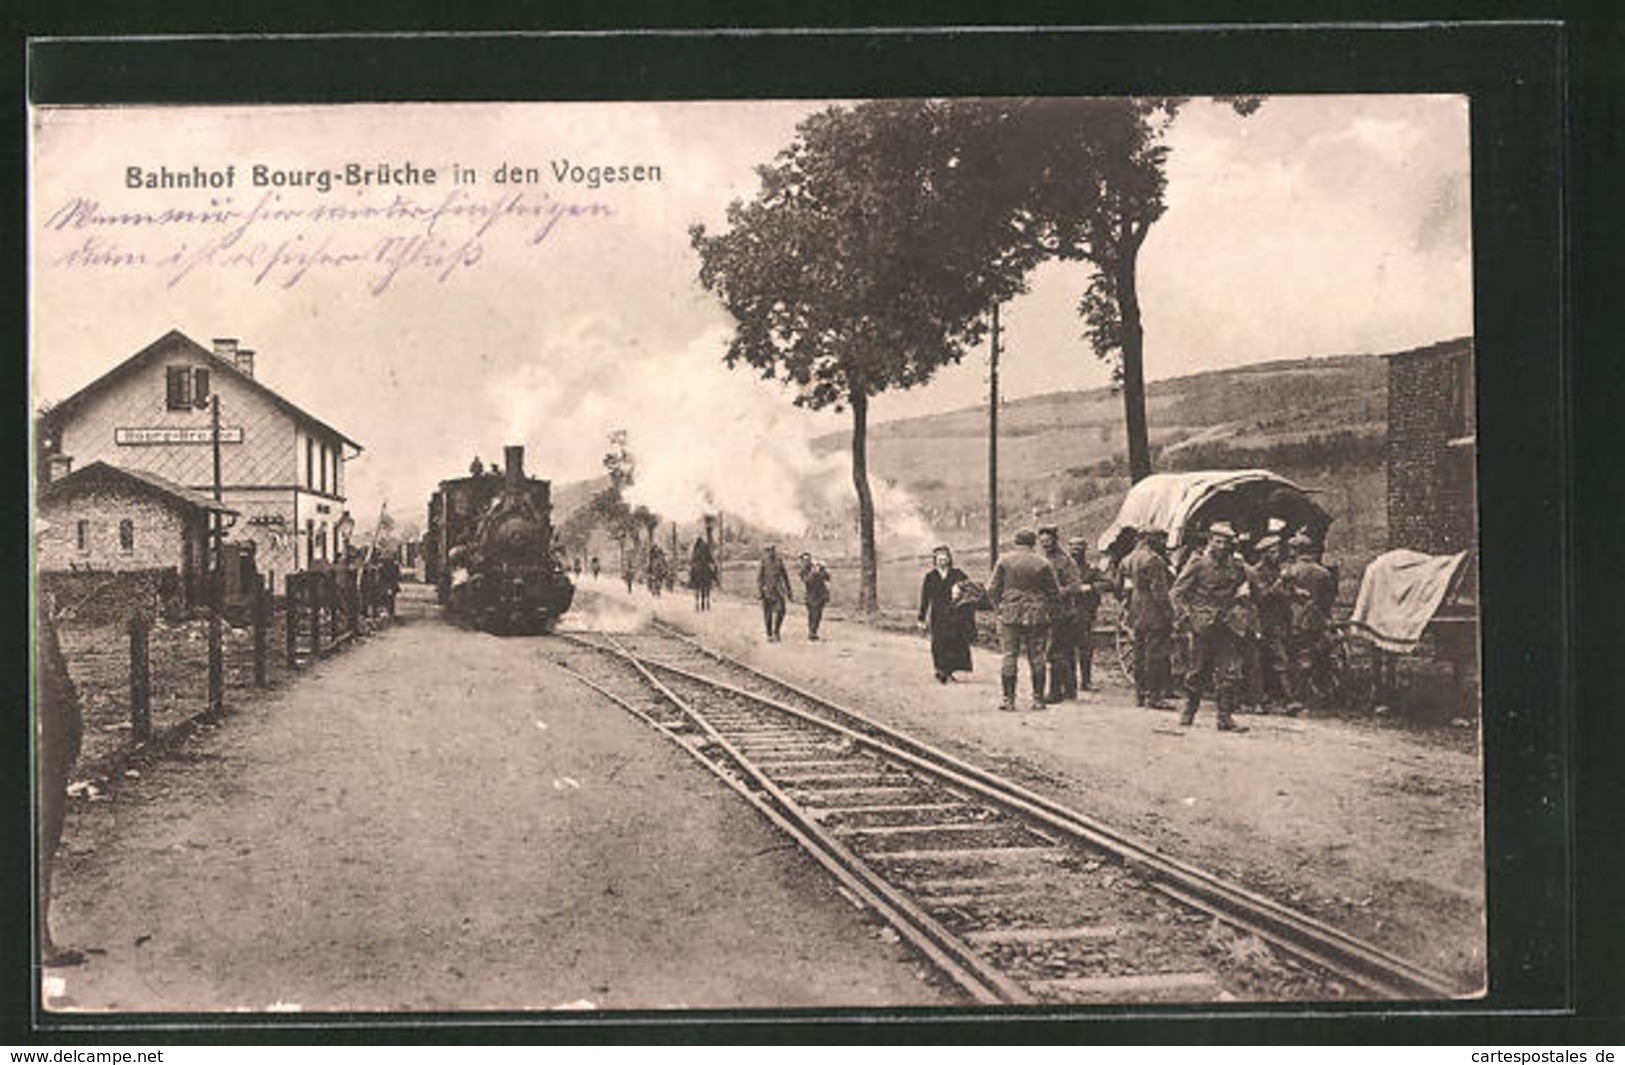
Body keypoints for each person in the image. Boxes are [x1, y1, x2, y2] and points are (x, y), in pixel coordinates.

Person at [37, 588, 85, 967]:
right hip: (41, 742)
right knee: (40, 840)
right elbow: (49, 683)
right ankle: (39, 945)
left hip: (48, 740)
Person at [1169, 521, 1250, 732]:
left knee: (1229, 671)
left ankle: (1225, 718)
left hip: (1228, 624)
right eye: (1218, 541)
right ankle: (1189, 711)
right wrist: (1187, 617)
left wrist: (1241, 608)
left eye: (1226, 542)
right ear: (1210, 541)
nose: (1222, 546)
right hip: (1203, 626)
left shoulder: (1236, 566)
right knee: (1197, 671)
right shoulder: (1198, 564)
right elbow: (1177, 593)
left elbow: (1245, 587)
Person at [988, 529, 1062, 712]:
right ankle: (1037, 700)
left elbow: (992, 589)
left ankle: (1008, 700)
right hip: (1037, 615)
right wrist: (1049, 610)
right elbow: (1054, 592)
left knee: (1009, 655)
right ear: (1033, 543)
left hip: (1010, 613)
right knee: (1037, 656)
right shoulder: (1042, 562)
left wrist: (999, 607)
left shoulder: (1004, 560)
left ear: (1016, 542)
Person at [1283, 533, 1339, 706]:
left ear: (1295, 550)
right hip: (1316, 619)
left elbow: (1283, 597)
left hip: (1294, 618)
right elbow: (1328, 599)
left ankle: (1297, 696)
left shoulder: (1289, 571)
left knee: (1297, 656)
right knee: (1318, 654)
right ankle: (1323, 693)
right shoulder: (1323, 573)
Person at [1123, 527, 1176, 709]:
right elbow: (1159, 592)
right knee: (1155, 655)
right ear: (1151, 540)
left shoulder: (1129, 558)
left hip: (1136, 609)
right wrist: (1170, 614)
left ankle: (1140, 694)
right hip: (1153, 611)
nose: (1164, 544)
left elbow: (1120, 584)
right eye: (1161, 539)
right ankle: (1155, 696)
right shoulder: (1154, 560)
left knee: (1139, 653)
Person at [1247, 534, 1297, 713]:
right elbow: (1261, 597)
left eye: (1277, 551)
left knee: (1276, 659)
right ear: (1264, 554)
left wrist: (1296, 592)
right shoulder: (1256, 572)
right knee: (1262, 661)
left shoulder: (1278, 570)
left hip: (1279, 621)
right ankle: (1266, 701)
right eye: (1272, 552)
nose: (1277, 554)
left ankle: (1275, 698)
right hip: (1262, 622)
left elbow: (1285, 593)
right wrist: (1278, 584)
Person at [1038, 526, 1082, 703]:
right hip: (1049, 612)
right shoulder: (1043, 559)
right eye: (1042, 542)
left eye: (1048, 541)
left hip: (1063, 613)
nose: (1045, 545)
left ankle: (1056, 692)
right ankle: (1070, 690)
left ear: (1055, 540)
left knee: (1056, 651)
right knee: (1063, 651)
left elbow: (1075, 586)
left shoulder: (1065, 561)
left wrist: (1056, 592)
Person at [917, 545, 974, 682]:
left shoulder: (957, 574)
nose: (942, 561)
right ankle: (940, 670)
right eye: (939, 559)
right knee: (938, 642)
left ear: (949, 559)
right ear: (935, 560)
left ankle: (949, 671)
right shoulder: (930, 577)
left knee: (953, 642)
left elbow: (969, 589)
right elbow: (925, 598)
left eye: (945, 559)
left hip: (955, 614)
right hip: (938, 614)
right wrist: (921, 618)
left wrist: (960, 591)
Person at [1067, 536, 1109, 695]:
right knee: (1067, 649)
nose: (1075, 550)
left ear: (1085, 549)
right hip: (1065, 612)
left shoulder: (1091, 569)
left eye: (1079, 547)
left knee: (1085, 649)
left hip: (1084, 612)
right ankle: (1070, 683)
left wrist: (1090, 587)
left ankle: (1086, 681)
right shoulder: (1063, 567)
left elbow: (1108, 582)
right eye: (1073, 547)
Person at [756, 545, 792, 642]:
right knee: (768, 614)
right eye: (768, 550)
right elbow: (759, 578)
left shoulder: (779, 561)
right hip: (767, 590)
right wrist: (760, 590)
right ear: (766, 552)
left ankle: (776, 631)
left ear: (774, 551)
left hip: (778, 591)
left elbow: (785, 576)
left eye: (772, 550)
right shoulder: (763, 562)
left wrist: (789, 591)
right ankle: (769, 634)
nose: (770, 552)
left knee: (782, 611)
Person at [798, 552, 831, 640]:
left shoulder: (818, 567)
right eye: (805, 560)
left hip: (821, 594)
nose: (807, 561)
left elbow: (827, 577)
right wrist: (813, 573)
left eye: (808, 559)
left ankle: (814, 630)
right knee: (812, 613)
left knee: (818, 614)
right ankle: (812, 631)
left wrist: (823, 570)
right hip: (810, 595)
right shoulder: (803, 571)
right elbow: (807, 581)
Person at [689, 537, 716, 612]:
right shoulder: (706, 547)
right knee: (711, 572)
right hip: (705, 565)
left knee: (692, 572)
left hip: (698, 566)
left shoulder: (696, 548)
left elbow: (693, 559)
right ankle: (715, 580)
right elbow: (710, 557)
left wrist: (693, 563)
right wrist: (713, 562)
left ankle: (691, 582)